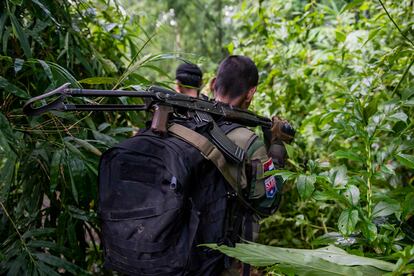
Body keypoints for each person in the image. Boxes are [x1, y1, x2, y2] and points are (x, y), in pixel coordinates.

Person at [188, 55, 294, 275]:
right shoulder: (248, 142)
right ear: (251, 92)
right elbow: (268, 204)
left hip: (176, 252)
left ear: (214, 83)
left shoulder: (185, 120)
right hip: (223, 261)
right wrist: (277, 146)